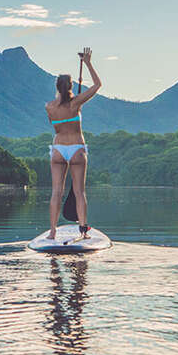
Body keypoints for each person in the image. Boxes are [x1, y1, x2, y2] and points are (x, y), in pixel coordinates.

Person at [45, 47, 102, 240]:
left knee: (56, 192)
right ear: (70, 86)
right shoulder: (76, 103)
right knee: (79, 192)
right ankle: (83, 230)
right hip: (77, 148)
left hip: (58, 150)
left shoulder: (49, 107)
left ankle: (52, 231)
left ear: (57, 87)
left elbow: (55, 122)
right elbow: (97, 85)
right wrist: (87, 63)